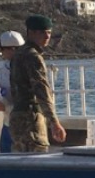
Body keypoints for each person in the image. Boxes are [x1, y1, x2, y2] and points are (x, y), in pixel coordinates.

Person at [9, 14, 67, 153]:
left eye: (49, 32)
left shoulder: (18, 54)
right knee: (37, 156)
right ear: (31, 33)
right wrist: (54, 122)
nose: (47, 36)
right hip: (31, 117)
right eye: (42, 32)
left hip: (17, 116)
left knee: (20, 159)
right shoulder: (33, 56)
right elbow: (41, 89)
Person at [0, 30, 24, 153]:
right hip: (8, 120)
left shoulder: (25, 67)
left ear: (12, 49)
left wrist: (6, 106)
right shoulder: (6, 66)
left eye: (2, 49)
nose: (1, 52)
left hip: (21, 121)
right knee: (5, 153)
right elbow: (1, 86)